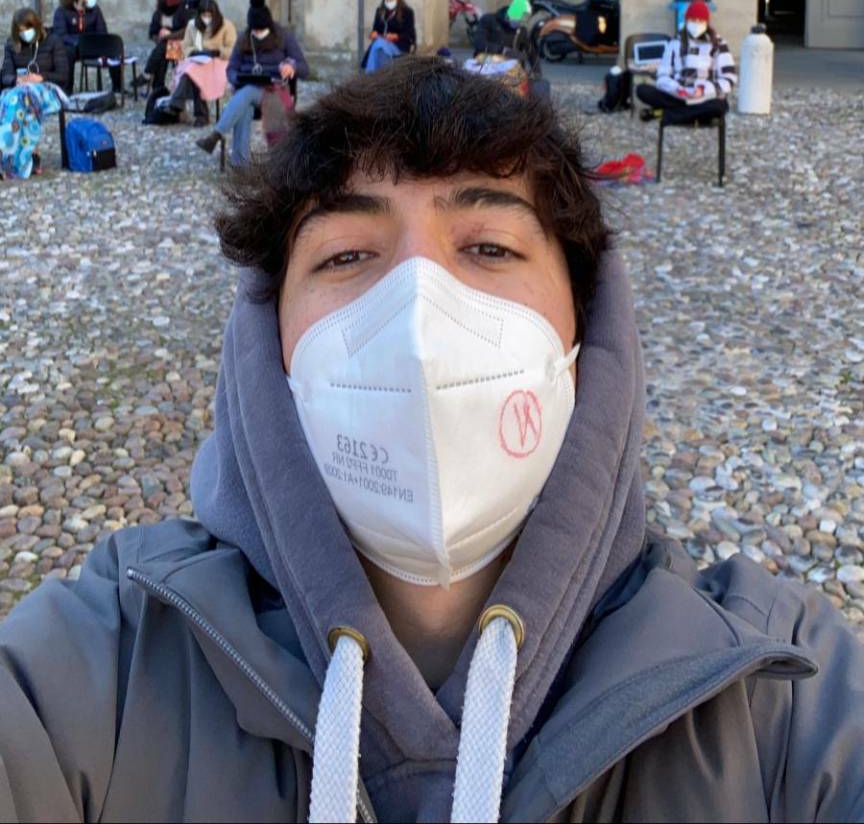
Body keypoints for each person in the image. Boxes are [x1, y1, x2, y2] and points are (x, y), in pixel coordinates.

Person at [0, 58, 861, 823]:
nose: (419, 316)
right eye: (345, 256)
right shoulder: (109, 670)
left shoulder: (773, 699)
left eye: (487, 246)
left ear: (585, 331)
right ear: (267, 344)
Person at [195, 0, 308, 164]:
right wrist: (237, 78)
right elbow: (231, 68)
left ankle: (217, 135)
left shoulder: (283, 36)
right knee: (245, 105)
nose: (258, 33)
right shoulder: (244, 38)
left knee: (246, 94)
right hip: (247, 86)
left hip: (275, 90)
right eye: (255, 30)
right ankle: (241, 164)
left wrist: (291, 68)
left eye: (261, 30)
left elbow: (304, 68)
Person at [636, 0, 737, 122]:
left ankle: (666, 114)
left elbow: (729, 77)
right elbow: (662, 74)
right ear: (686, 20)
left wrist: (703, 90)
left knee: (719, 106)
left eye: (700, 20)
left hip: (704, 97)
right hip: (678, 94)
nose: (696, 23)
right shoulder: (675, 43)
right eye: (693, 20)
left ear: (707, 23)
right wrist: (676, 88)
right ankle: (690, 114)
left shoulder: (718, 44)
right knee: (642, 90)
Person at [0, 8, 68, 179]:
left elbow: (63, 75)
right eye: (21, 31)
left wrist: (41, 77)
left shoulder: (53, 41)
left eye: (27, 30)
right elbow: (6, 74)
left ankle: (10, 154)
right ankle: (27, 155)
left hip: (48, 88)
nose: (25, 35)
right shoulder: (11, 45)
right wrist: (15, 80)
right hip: (20, 90)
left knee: (22, 96)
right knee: (13, 98)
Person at [162, 0, 237, 126]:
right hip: (197, 60)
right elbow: (185, 46)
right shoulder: (193, 25)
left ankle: (177, 104)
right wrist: (194, 52)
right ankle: (201, 115)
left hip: (218, 61)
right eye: (204, 15)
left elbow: (233, 49)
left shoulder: (226, 25)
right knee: (194, 71)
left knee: (192, 72)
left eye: (209, 15)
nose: (206, 18)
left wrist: (218, 51)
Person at [51, 0, 121, 96]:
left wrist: (97, 41)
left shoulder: (95, 11)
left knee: (114, 47)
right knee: (67, 53)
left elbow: (102, 30)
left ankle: (117, 86)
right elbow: (61, 34)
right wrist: (79, 41)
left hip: (92, 46)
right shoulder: (62, 11)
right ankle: (67, 90)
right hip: (75, 47)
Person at [143, 0, 186, 93]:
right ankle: (158, 88)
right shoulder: (158, 13)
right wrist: (159, 37)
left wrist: (169, 36)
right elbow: (152, 32)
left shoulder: (183, 11)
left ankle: (147, 74)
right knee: (162, 53)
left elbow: (186, 31)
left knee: (164, 48)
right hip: (165, 48)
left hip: (182, 47)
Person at [362, 0, 416, 72]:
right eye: (387, 0)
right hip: (382, 44)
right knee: (379, 49)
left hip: (399, 46)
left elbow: (410, 34)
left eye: (391, 0)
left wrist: (396, 36)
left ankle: (369, 76)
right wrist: (373, 34)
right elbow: (375, 29)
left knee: (378, 45)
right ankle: (383, 77)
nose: (389, 3)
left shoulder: (407, 12)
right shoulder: (380, 11)